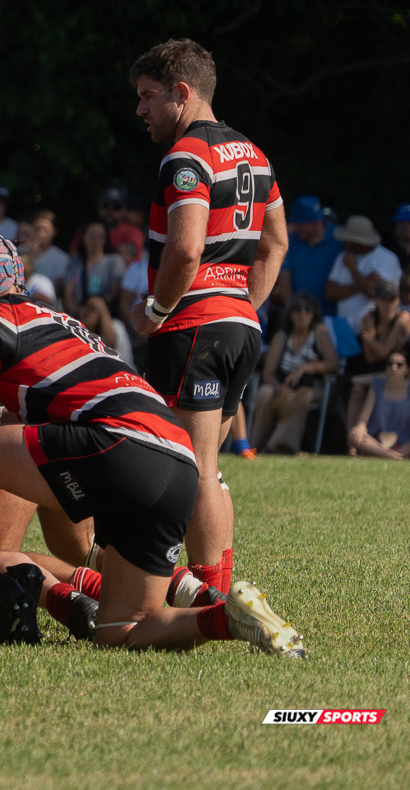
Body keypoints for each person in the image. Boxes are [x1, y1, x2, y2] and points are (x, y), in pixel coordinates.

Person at [0, 232, 304, 655]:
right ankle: (228, 618)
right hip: (176, 462)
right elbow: (67, 400)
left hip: (121, 443)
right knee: (119, 631)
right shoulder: (59, 321)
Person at [126, 38, 287, 606]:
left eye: (148, 96)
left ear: (182, 92)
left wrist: (156, 309)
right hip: (239, 325)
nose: (141, 110)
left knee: (189, 468)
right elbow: (275, 243)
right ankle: (213, 589)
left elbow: (187, 248)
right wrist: (243, 306)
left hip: (193, 327)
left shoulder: (186, 156)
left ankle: (211, 597)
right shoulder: (256, 154)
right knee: (208, 466)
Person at [250, 294, 338, 455]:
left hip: (312, 386)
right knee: (265, 394)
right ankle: (254, 445)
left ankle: (278, 446)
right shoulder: (281, 337)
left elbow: (333, 364)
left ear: (314, 314)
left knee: (302, 396)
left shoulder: (320, 333)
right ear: (290, 314)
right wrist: (278, 385)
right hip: (282, 386)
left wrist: (307, 368)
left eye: (307, 310)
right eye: (297, 310)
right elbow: (268, 373)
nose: (302, 313)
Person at [326, 215, 402, 337]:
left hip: (374, 332)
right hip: (345, 330)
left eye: (348, 240)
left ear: (360, 242)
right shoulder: (342, 257)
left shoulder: (387, 258)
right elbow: (330, 292)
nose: (344, 242)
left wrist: (353, 269)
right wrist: (366, 281)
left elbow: (375, 293)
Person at [348, 350, 410, 460]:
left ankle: (387, 455)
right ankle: (391, 456)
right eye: (390, 364)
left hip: (407, 441)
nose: (394, 368)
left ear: (407, 368)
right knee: (355, 435)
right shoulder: (377, 386)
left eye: (399, 364)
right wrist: (360, 427)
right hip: (379, 442)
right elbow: (363, 419)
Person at [65, 220, 124, 312]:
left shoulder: (114, 261)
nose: (96, 240)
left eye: (100, 236)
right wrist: (79, 313)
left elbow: (114, 292)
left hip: (105, 314)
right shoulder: (74, 263)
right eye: (92, 235)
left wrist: (96, 310)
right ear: (84, 237)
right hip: (78, 316)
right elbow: (68, 294)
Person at [17, 211, 70, 295]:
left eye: (46, 230)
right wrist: (30, 255)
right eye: (37, 229)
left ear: (54, 232)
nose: (41, 234)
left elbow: (56, 289)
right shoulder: (19, 253)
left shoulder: (62, 258)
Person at [77, 295, 135, 369]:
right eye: (85, 307)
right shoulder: (77, 331)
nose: (88, 312)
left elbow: (111, 344)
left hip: (123, 374)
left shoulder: (116, 325)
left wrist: (102, 307)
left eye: (93, 309)